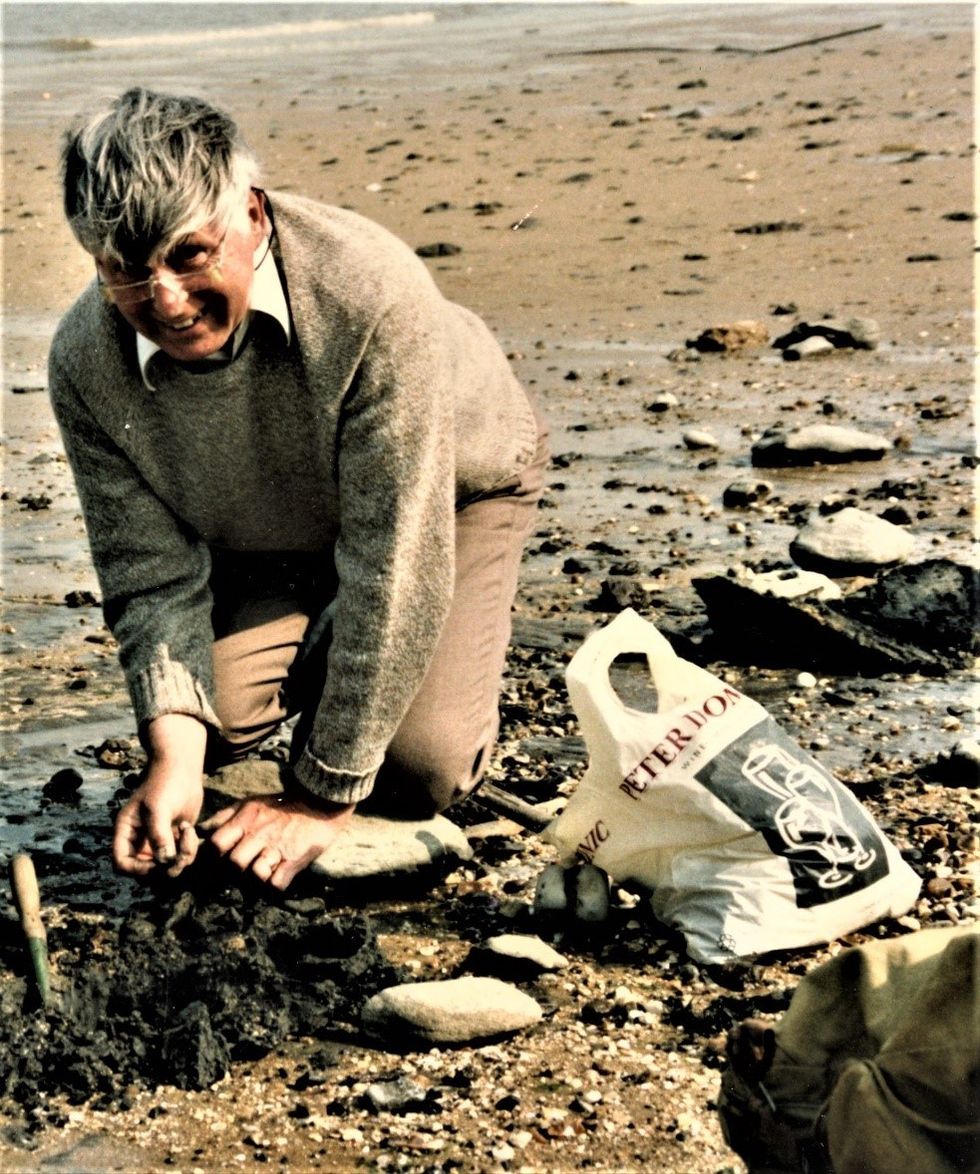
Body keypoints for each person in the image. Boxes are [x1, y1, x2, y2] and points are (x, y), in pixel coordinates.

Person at [50, 87, 548, 890]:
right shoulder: (83, 362)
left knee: (417, 768)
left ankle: (382, 652)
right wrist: (173, 761)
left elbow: (397, 557)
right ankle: (331, 633)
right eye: (127, 271)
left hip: (452, 492)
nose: (166, 302)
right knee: (203, 732)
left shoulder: (370, 291)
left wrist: (318, 799)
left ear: (252, 214)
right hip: (272, 528)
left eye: (189, 255)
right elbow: (149, 574)